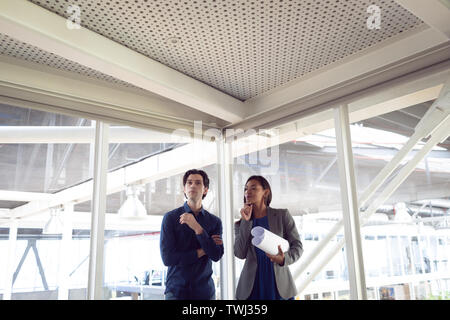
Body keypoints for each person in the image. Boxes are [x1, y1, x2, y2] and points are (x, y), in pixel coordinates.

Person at [234, 175, 303, 300]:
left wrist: (283, 259)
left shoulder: (282, 215)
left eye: (253, 188)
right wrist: (246, 222)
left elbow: (298, 247)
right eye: (246, 189)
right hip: (252, 285)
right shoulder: (240, 223)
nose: (247, 192)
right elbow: (240, 253)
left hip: (278, 283)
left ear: (265, 193)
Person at [160, 169, 224, 300]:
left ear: (205, 190)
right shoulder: (170, 218)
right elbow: (168, 258)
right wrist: (204, 249)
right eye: (189, 183)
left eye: (198, 183)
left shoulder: (214, 222)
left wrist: (198, 228)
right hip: (176, 292)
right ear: (184, 189)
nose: (193, 185)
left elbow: (216, 255)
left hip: (205, 292)